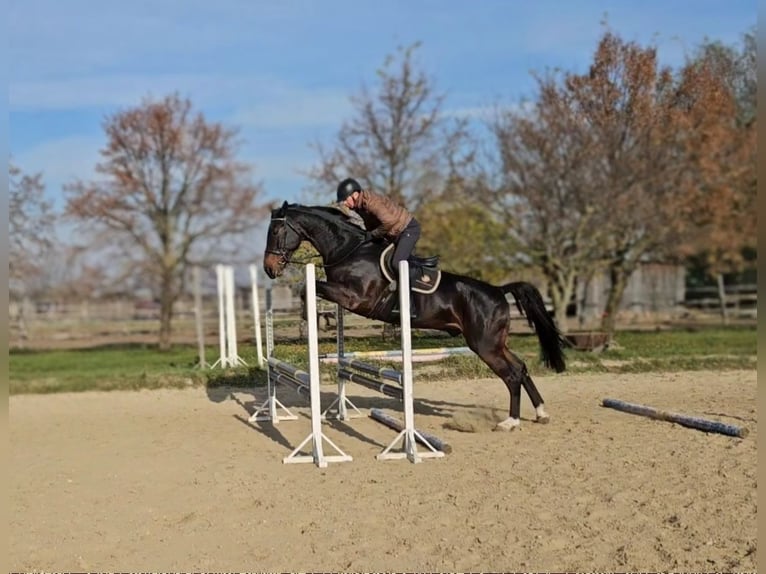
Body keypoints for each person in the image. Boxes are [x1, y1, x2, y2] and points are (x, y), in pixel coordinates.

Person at [336, 177, 420, 318]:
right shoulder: (359, 206)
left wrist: (372, 235)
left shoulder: (371, 202)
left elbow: (389, 222)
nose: (345, 203)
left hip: (408, 230)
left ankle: (411, 305)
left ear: (354, 194)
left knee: (396, 263)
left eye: (345, 199)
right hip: (393, 234)